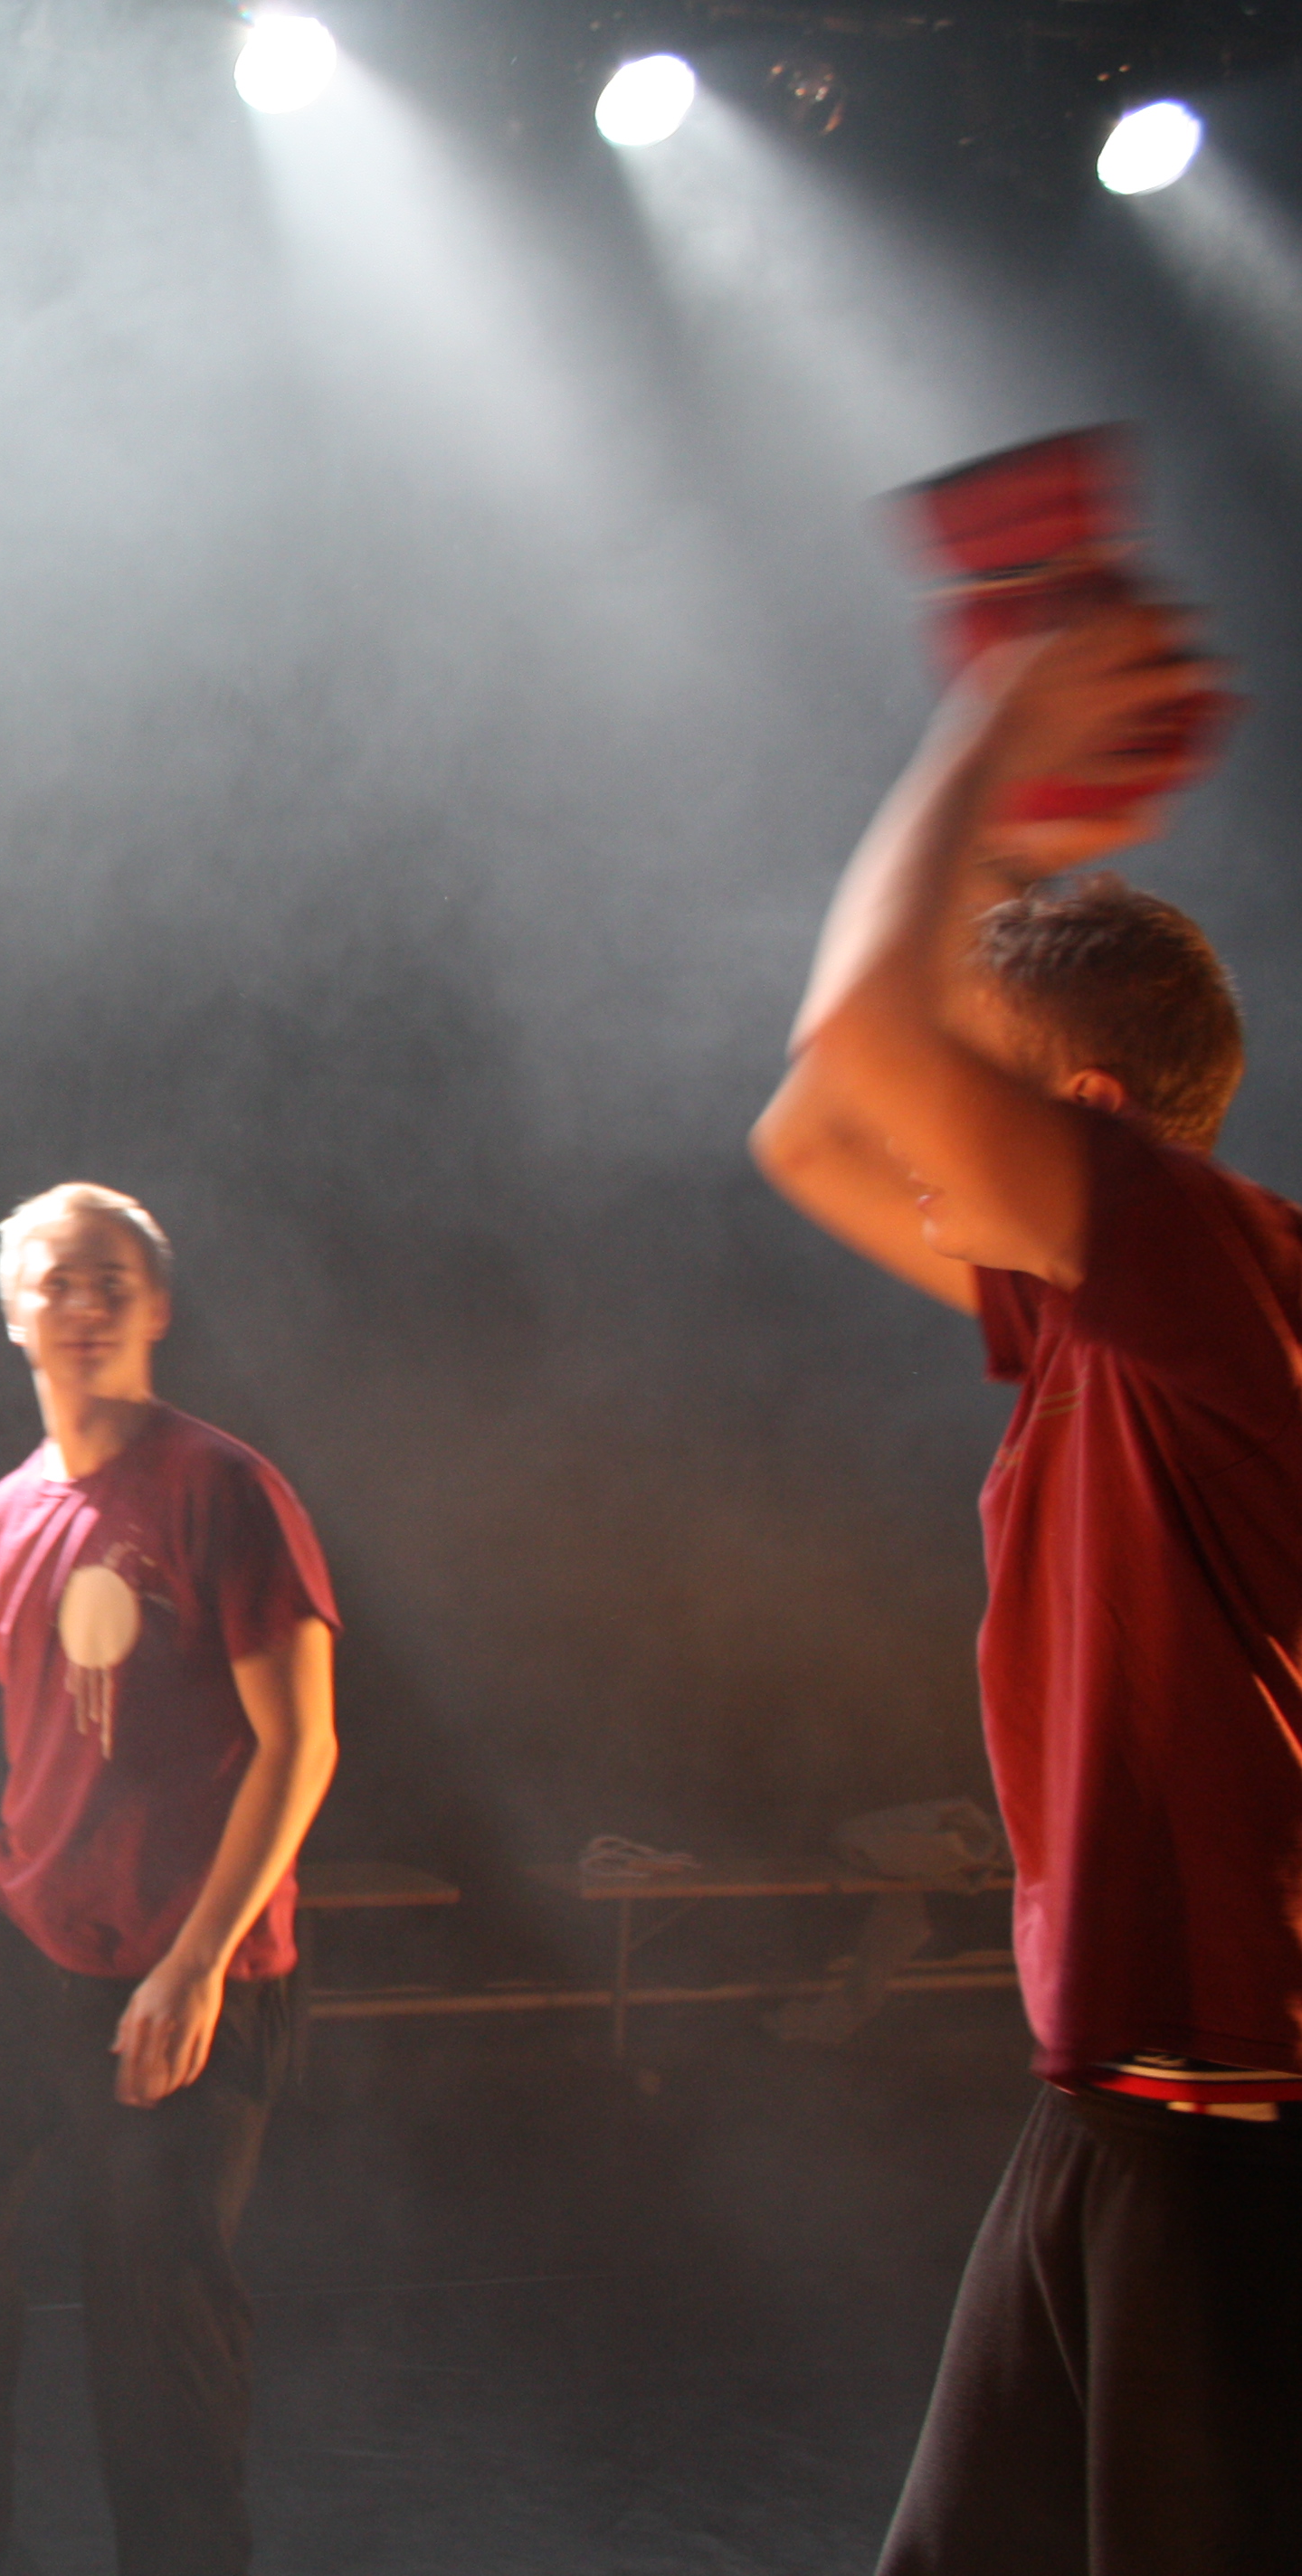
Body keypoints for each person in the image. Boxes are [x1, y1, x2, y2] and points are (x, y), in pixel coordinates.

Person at [749, 591, 1302, 2571]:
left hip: (1238, 2123)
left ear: (1085, 1121)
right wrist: (994, 867)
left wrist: (989, 729)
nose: (921, 1151)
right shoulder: (1096, 1312)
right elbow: (815, 1125)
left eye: (964, 1098)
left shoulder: (1217, 1261)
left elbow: (856, 1039)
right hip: (1114, 2108)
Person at [0, 1183, 337, 2576]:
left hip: (194, 1963)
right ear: (13, 1316)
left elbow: (300, 1743)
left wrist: (197, 1963)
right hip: (24, 1946)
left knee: (157, 2313)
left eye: (114, 1279)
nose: (86, 1304)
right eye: (57, 1281)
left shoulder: (225, 1491)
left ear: (157, 1306)